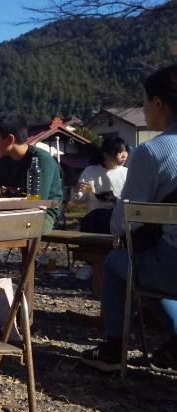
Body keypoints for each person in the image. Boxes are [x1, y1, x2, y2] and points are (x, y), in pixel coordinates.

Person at [80, 64, 177, 372]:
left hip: (173, 264)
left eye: (145, 101)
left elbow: (122, 221)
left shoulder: (153, 151)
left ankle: (114, 349)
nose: (144, 109)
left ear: (159, 103)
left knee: (118, 265)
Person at [0, 114, 63, 233]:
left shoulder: (41, 161)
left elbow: (38, 202)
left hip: (43, 214)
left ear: (10, 139)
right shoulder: (3, 162)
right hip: (10, 212)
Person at [72, 137, 129, 234]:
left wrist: (115, 199)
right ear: (106, 155)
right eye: (119, 153)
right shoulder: (90, 171)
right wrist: (77, 190)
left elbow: (130, 199)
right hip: (97, 221)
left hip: (120, 220)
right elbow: (80, 200)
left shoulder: (126, 172)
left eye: (125, 151)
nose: (124, 156)